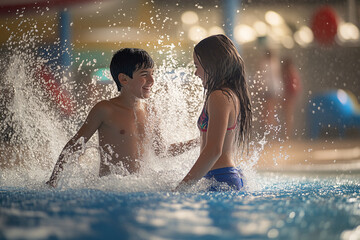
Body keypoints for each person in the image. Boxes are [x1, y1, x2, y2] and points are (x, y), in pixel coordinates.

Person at [46, 48, 198, 188]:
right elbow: (75, 145)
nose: (152, 80)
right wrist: (53, 181)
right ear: (124, 79)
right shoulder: (105, 109)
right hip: (110, 187)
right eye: (144, 75)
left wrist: (199, 141)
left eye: (153, 73)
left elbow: (162, 151)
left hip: (140, 187)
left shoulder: (151, 111)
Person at [175, 34, 252, 192]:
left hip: (221, 178)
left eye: (197, 66)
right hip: (223, 177)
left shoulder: (219, 96)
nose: (196, 73)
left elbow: (213, 150)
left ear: (211, 64)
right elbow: (216, 140)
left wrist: (180, 189)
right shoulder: (229, 94)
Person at [281, 57, 302, 138]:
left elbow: (292, 86)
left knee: (288, 116)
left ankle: (287, 134)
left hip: (289, 95)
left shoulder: (290, 72)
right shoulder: (292, 71)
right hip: (290, 95)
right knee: (288, 116)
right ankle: (287, 134)